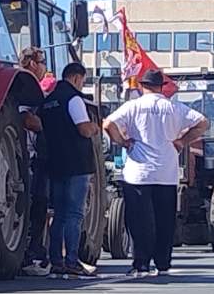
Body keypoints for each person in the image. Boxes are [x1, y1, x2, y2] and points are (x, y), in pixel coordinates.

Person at [103, 68, 204, 278]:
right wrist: (182, 141)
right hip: (166, 172)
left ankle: (141, 263)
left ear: (142, 86)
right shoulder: (174, 107)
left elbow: (108, 124)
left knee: (139, 220)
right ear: (161, 87)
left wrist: (123, 142)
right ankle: (163, 263)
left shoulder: (133, 106)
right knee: (164, 220)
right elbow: (203, 123)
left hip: (138, 172)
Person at [39, 60, 99, 278]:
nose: (82, 85)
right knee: (74, 213)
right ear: (76, 77)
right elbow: (83, 129)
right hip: (77, 164)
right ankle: (72, 260)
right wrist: (94, 127)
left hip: (56, 163)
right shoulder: (73, 98)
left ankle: (56, 260)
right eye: (82, 81)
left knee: (60, 214)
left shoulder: (48, 101)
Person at [17, 48, 52, 277]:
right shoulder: (24, 87)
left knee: (39, 206)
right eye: (42, 61)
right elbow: (26, 118)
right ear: (31, 64)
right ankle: (31, 254)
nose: (44, 67)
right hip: (30, 157)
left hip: (35, 156)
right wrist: (49, 124)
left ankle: (35, 251)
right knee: (35, 206)